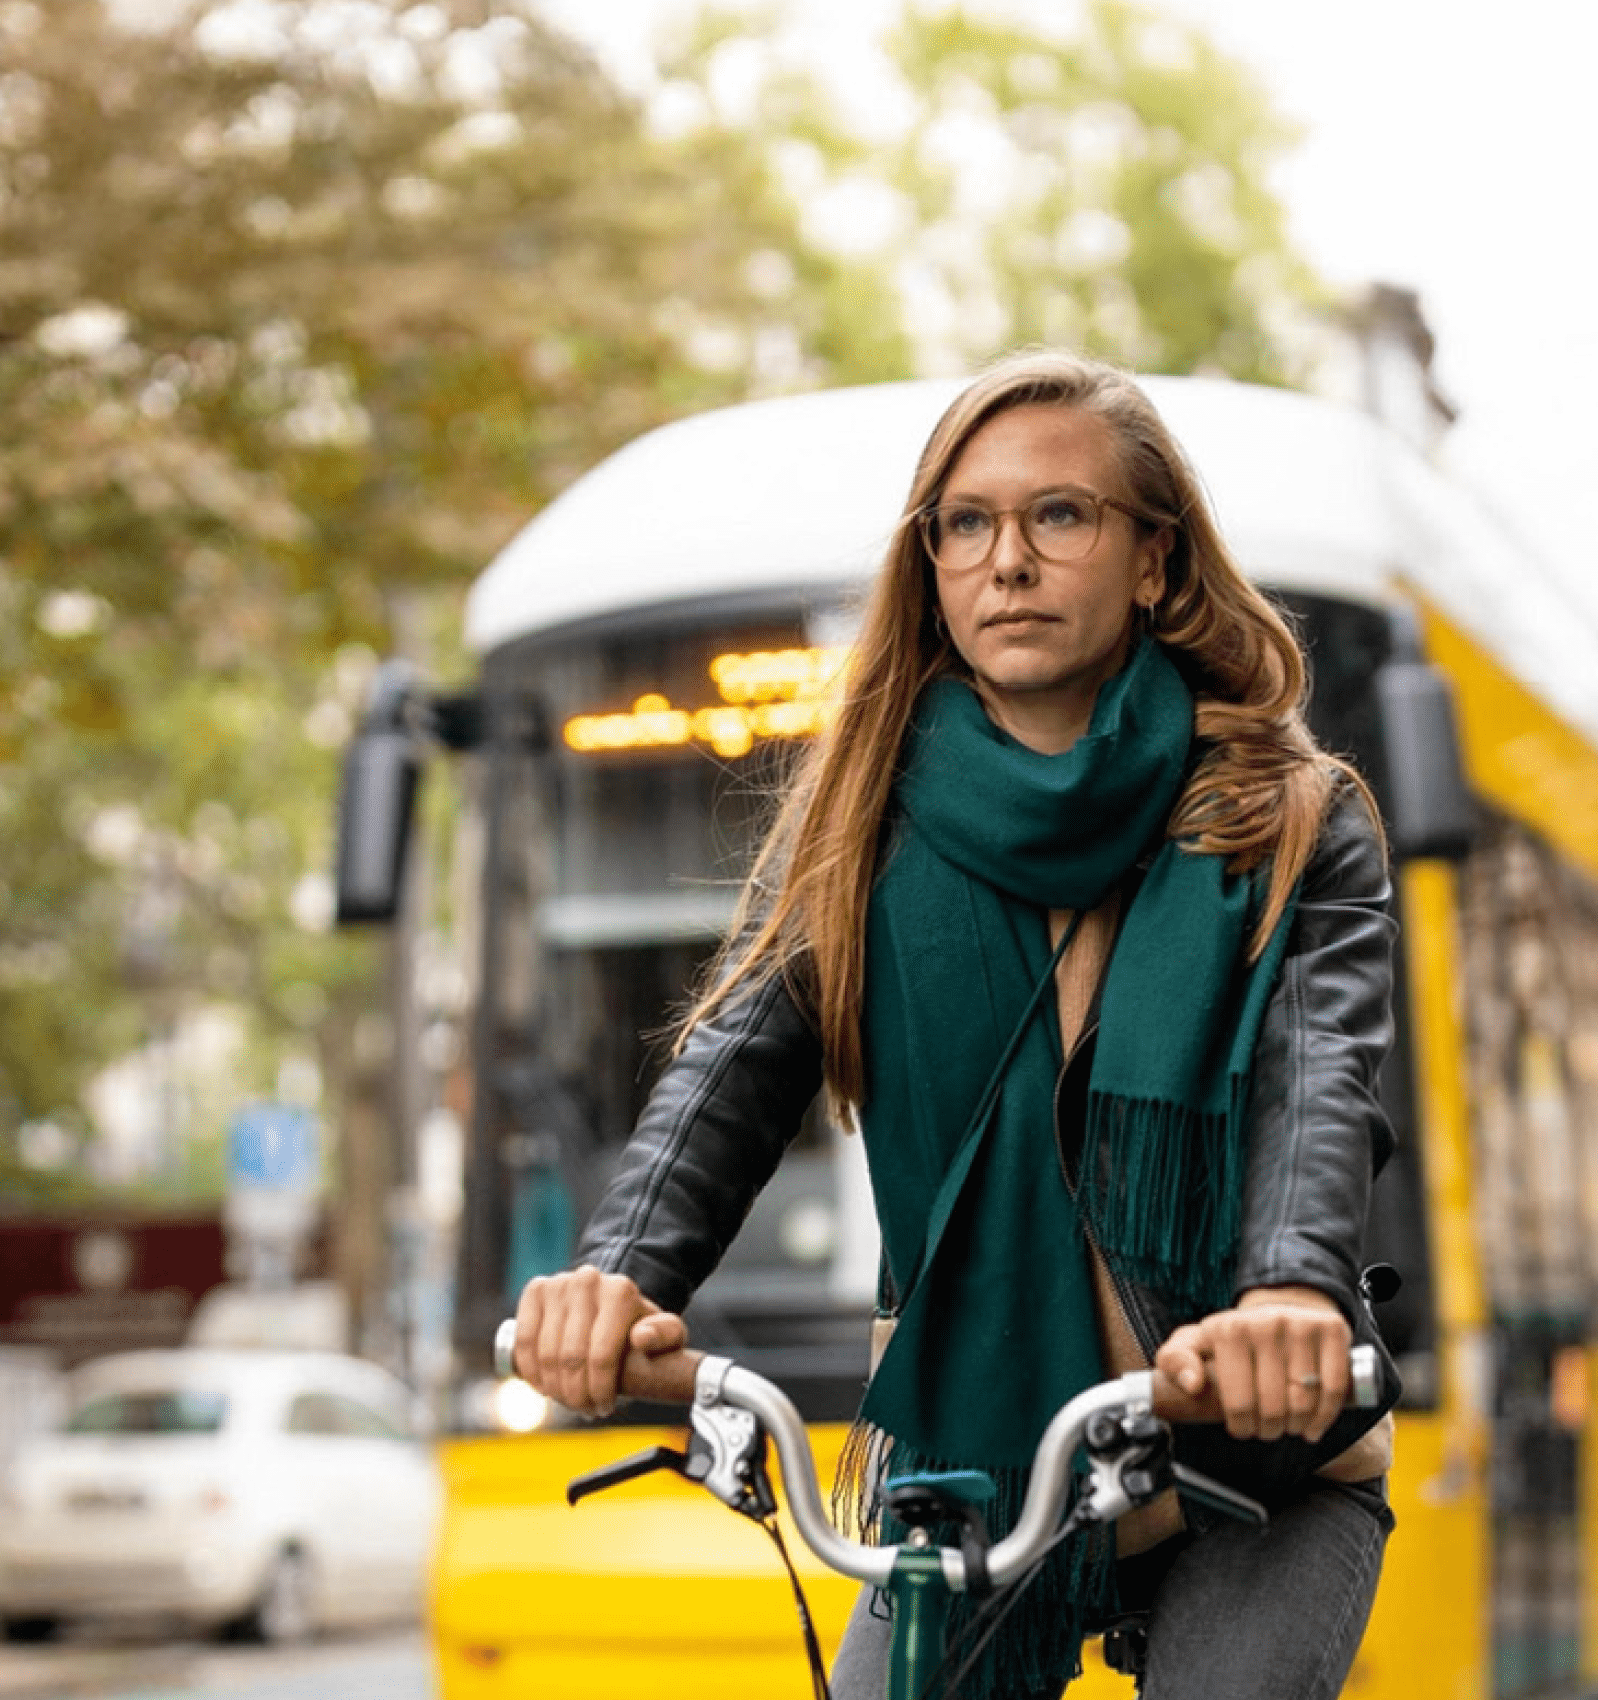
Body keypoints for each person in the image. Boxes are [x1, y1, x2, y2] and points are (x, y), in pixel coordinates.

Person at [511, 349, 1402, 1699]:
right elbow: (734, 1069)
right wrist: (622, 1278)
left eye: (1061, 515)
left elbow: (1316, 1082)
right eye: (966, 524)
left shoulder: (1291, 818)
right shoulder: (863, 825)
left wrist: (1285, 1300)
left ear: (1154, 561)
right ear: (930, 562)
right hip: (987, 1459)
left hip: (1249, 1451)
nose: (1009, 560)